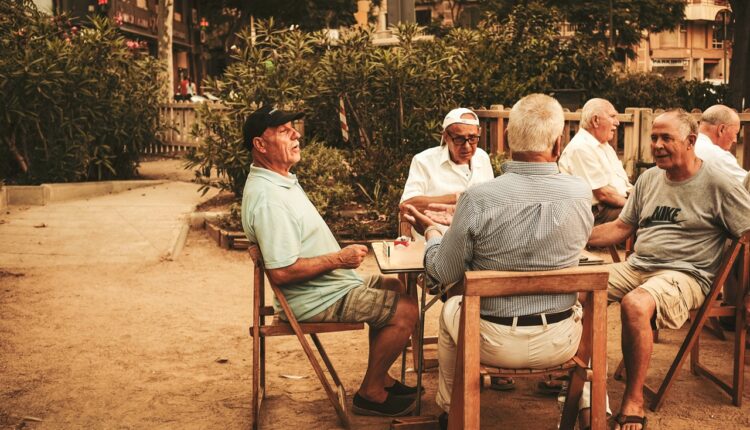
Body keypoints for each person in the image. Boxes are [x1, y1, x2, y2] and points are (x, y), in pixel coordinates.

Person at [404, 94, 595, 428]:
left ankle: (453, 410)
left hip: (491, 342)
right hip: (562, 340)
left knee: (451, 308)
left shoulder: (479, 199)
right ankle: (590, 410)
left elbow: (442, 273)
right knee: (583, 307)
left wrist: (433, 234)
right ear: (558, 144)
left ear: (506, 144)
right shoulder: (580, 193)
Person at [240, 105, 420, 417]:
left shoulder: (278, 180)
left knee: (393, 285)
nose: (296, 135)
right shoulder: (270, 198)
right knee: (406, 310)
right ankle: (370, 393)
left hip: (330, 287)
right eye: (284, 131)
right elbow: (282, 272)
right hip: (315, 298)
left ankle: (381, 378)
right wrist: (339, 258)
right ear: (260, 144)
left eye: (293, 128)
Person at [588, 109, 750, 430]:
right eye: (653, 138)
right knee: (580, 288)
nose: (657, 145)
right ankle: (580, 381)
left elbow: (747, 234)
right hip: (637, 267)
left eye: (666, 138)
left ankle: (633, 400)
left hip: (685, 275)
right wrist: (575, 238)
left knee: (636, 304)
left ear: (690, 142)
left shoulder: (719, 184)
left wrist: (746, 295)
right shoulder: (649, 179)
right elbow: (621, 227)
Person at [399, 108, 494, 213]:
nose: (467, 146)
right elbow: (407, 204)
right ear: (445, 137)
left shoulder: (482, 157)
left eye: (472, 138)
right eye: (459, 139)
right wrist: (458, 198)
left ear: (478, 133)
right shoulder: (424, 161)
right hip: (436, 228)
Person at [559, 98, 632, 224]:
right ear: (595, 120)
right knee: (646, 218)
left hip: (613, 206)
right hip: (596, 214)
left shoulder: (604, 146)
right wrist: (634, 207)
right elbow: (603, 194)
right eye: (612, 116)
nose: (617, 122)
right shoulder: (580, 148)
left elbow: (622, 185)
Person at [695, 104, 745, 182]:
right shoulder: (718, 156)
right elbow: (746, 185)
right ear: (721, 129)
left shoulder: (687, 145)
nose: (735, 140)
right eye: (735, 133)